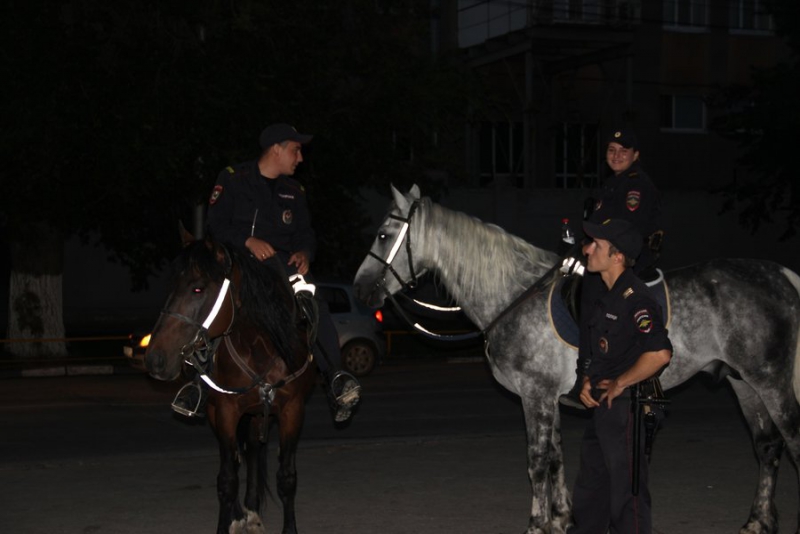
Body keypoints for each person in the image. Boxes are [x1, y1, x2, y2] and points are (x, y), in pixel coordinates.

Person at [171, 123, 361, 423]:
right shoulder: (233, 179)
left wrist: (304, 253)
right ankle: (198, 386)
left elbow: (305, 233)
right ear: (276, 149)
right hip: (238, 262)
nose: (300, 158)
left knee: (313, 300)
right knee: (208, 300)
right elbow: (216, 225)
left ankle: (336, 378)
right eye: (295, 150)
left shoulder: (294, 191)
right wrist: (247, 241)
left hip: (282, 266)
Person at [568, 218, 672, 534]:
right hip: (604, 405)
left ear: (617, 256)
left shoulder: (635, 299)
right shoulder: (609, 295)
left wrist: (620, 383)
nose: (587, 249)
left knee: (627, 496)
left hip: (626, 408)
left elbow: (660, 353)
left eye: (595, 244)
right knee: (591, 492)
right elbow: (607, 349)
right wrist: (589, 380)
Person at [559, 127, 664, 409]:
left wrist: (594, 249)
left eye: (623, 151)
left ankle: (586, 375)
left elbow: (625, 230)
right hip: (610, 249)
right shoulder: (611, 184)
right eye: (611, 150)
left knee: (591, 293)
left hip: (630, 255)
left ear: (635, 155)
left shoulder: (635, 185)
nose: (616, 156)